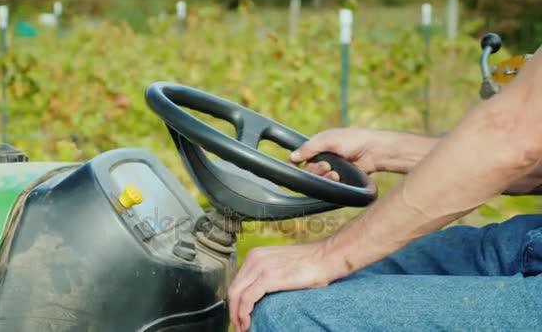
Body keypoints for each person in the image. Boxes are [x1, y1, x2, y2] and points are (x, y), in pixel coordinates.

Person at [228, 47, 542, 332]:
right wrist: (386, 150)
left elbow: (512, 135)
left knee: (287, 317)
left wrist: (326, 256)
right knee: (280, 288)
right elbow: (528, 156)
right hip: (531, 241)